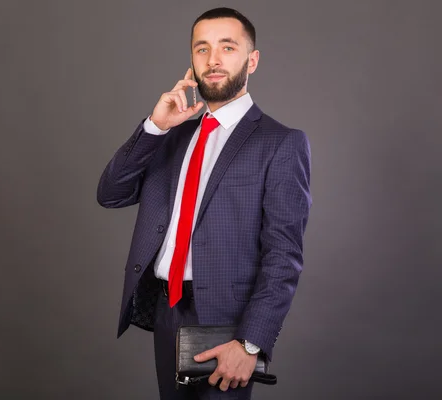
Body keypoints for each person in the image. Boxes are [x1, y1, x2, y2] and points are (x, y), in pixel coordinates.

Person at [97, 7, 311, 400]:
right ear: (192, 61)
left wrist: (250, 343)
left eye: (227, 47)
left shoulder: (280, 143)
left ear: (252, 59)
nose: (213, 60)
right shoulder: (173, 135)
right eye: (202, 49)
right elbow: (110, 194)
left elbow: (284, 255)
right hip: (167, 310)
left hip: (227, 324)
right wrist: (154, 127)